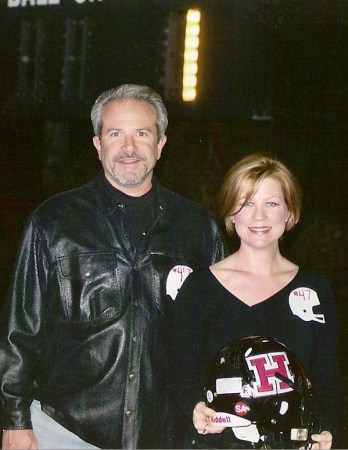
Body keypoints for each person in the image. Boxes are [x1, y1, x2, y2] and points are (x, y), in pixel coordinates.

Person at [0, 84, 227, 449]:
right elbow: (20, 330)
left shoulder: (198, 229)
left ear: (161, 144)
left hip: (166, 434)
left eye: (142, 134)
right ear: (97, 144)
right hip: (64, 432)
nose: (129, 148)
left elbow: (219, 334)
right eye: (116, 134)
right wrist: (13, 420)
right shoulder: (54, 222)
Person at [170, 154, 343, 449]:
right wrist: (195, 407)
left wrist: (328, 430)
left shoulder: (314, 289)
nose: (259, 217)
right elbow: (178, 373)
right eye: (247, 203)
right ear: (231, 212)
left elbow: (328, 381)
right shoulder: (199, 288)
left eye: (271, 204)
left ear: (289, 213)